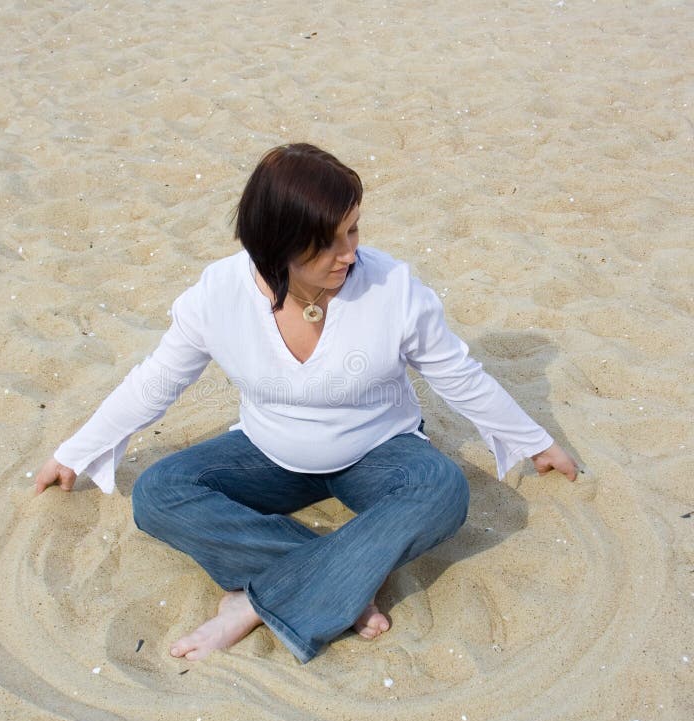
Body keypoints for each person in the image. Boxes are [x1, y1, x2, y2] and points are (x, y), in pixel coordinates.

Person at [35, 143, 577, 664]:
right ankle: (337, 583)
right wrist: (76, 451)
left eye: (354, 229)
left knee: (441, 489)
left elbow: (458, 374)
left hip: (379, 453)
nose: (350, 253)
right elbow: (156, 381)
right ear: (277, 243)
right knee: (158, 492)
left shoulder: (394, 289)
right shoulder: (218, 295)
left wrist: (536, 442)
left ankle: (252, 600)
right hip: (266, 453)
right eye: (329, 242)